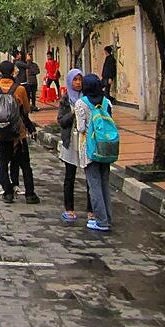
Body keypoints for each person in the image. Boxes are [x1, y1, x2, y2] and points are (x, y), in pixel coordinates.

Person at [0, 60, 38, 205]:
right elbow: (26, 110)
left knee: (2, 162)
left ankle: (8, 193)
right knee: (25, 164)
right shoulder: (19, 90)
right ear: (14, 71)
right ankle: (30, 194)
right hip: (18, 134)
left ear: (0, 72)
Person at [77, 74, 114, 232]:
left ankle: (101, 221)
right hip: (106, 147)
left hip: (89, 149)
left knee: (94, 185)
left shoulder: (81, 103)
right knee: (105, 184)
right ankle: (108, 217)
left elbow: (80, 128)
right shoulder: (107, 102)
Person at [57, 68, 92, 223]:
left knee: (91, 177)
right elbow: (61, 121)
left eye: (80, 79)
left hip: (86, 142)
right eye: (75, 80)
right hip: (70, 141)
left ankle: (91, 210)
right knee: (69, 176)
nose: (78, 83)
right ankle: (69, 209)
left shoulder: (89, 98)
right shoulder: (65, 100)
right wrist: (74, 113)